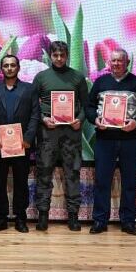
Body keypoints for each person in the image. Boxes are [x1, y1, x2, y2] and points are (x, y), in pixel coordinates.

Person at [86, 48, 136, 235]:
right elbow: (89, 107)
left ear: (127, 63)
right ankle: (100, 220)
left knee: (130, 181)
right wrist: (95, 120)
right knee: (102, 181)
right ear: (109, 62)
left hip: (130, 140)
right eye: (113, 61)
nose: (116, 64)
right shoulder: (100, 82)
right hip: (105, 140)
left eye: (120, 61)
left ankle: (128, 221)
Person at [31, 40, 88, 231]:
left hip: (71, 133)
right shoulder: (41, 77)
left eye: (62, 55)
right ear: (50, 56)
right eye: (55, 55)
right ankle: (43, 215)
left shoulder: (78, 77)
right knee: (44, 172)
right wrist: (43, 119)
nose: (59, 58)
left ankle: (73, 216)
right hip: (48, 132)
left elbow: (86, 105)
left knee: (72, 173)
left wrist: (80, 119)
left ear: (67, 56)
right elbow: (33, 105)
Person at [0, 54, 40, 233]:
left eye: (12, 65)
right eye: (6, 65)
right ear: (2, 68)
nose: (9, 68)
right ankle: (1, 218)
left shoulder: (29, 89)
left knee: (21, 182)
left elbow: (35, 115)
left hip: (22, 145)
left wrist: (28, 138)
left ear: (18, 67)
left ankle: (20, 218)